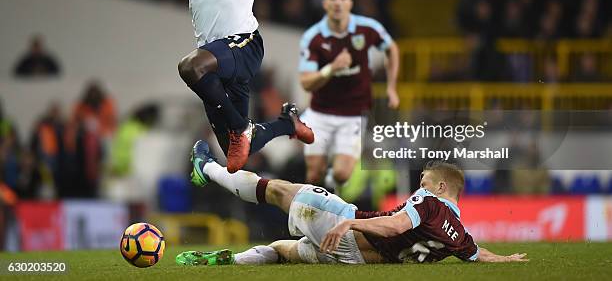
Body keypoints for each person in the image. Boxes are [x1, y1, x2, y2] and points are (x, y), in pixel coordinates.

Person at [82, 0, 380, 173]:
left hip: (244, 44)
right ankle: (287, 124)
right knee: (236, 155)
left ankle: (241, 127)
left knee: (190, 68)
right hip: (215, 55)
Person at [179, 140, 528, 265]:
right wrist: (507, 258)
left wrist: (350, 222)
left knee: (277, 190)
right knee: (285, 251)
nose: (419, 187)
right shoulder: (459, 234)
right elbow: (477, 254)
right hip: (358, 259)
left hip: (343, 223)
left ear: (439, 185)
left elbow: (395, 224)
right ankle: (231, 262)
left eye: (423, 182)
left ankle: (206, 166)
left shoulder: (429, 201)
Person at [299, 0, 399, 189]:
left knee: (342, 174)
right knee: (313, 174)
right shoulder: (313, 37)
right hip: (321, 112)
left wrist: (391, 87)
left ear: (350, 2)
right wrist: (331, 68)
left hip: (354, 113)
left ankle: (331, 184)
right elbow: (306, 82)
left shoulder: (368, 28)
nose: (338, 3)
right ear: (325, 4)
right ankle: (318, 204)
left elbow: (391, 49)